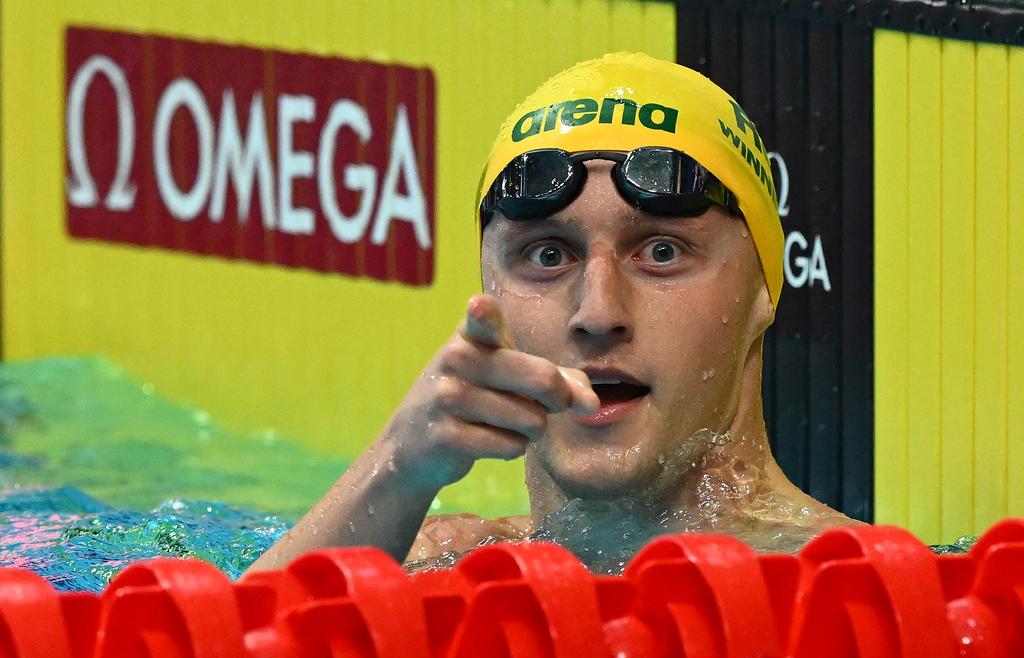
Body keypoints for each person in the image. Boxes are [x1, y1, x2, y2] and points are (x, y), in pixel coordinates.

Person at [247, 53, 858, 575]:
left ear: (762, 292)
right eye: (547, 255)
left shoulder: (848, 587)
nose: (597, 313)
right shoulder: (441, 559)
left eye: (662, 252)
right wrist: (398, 467)